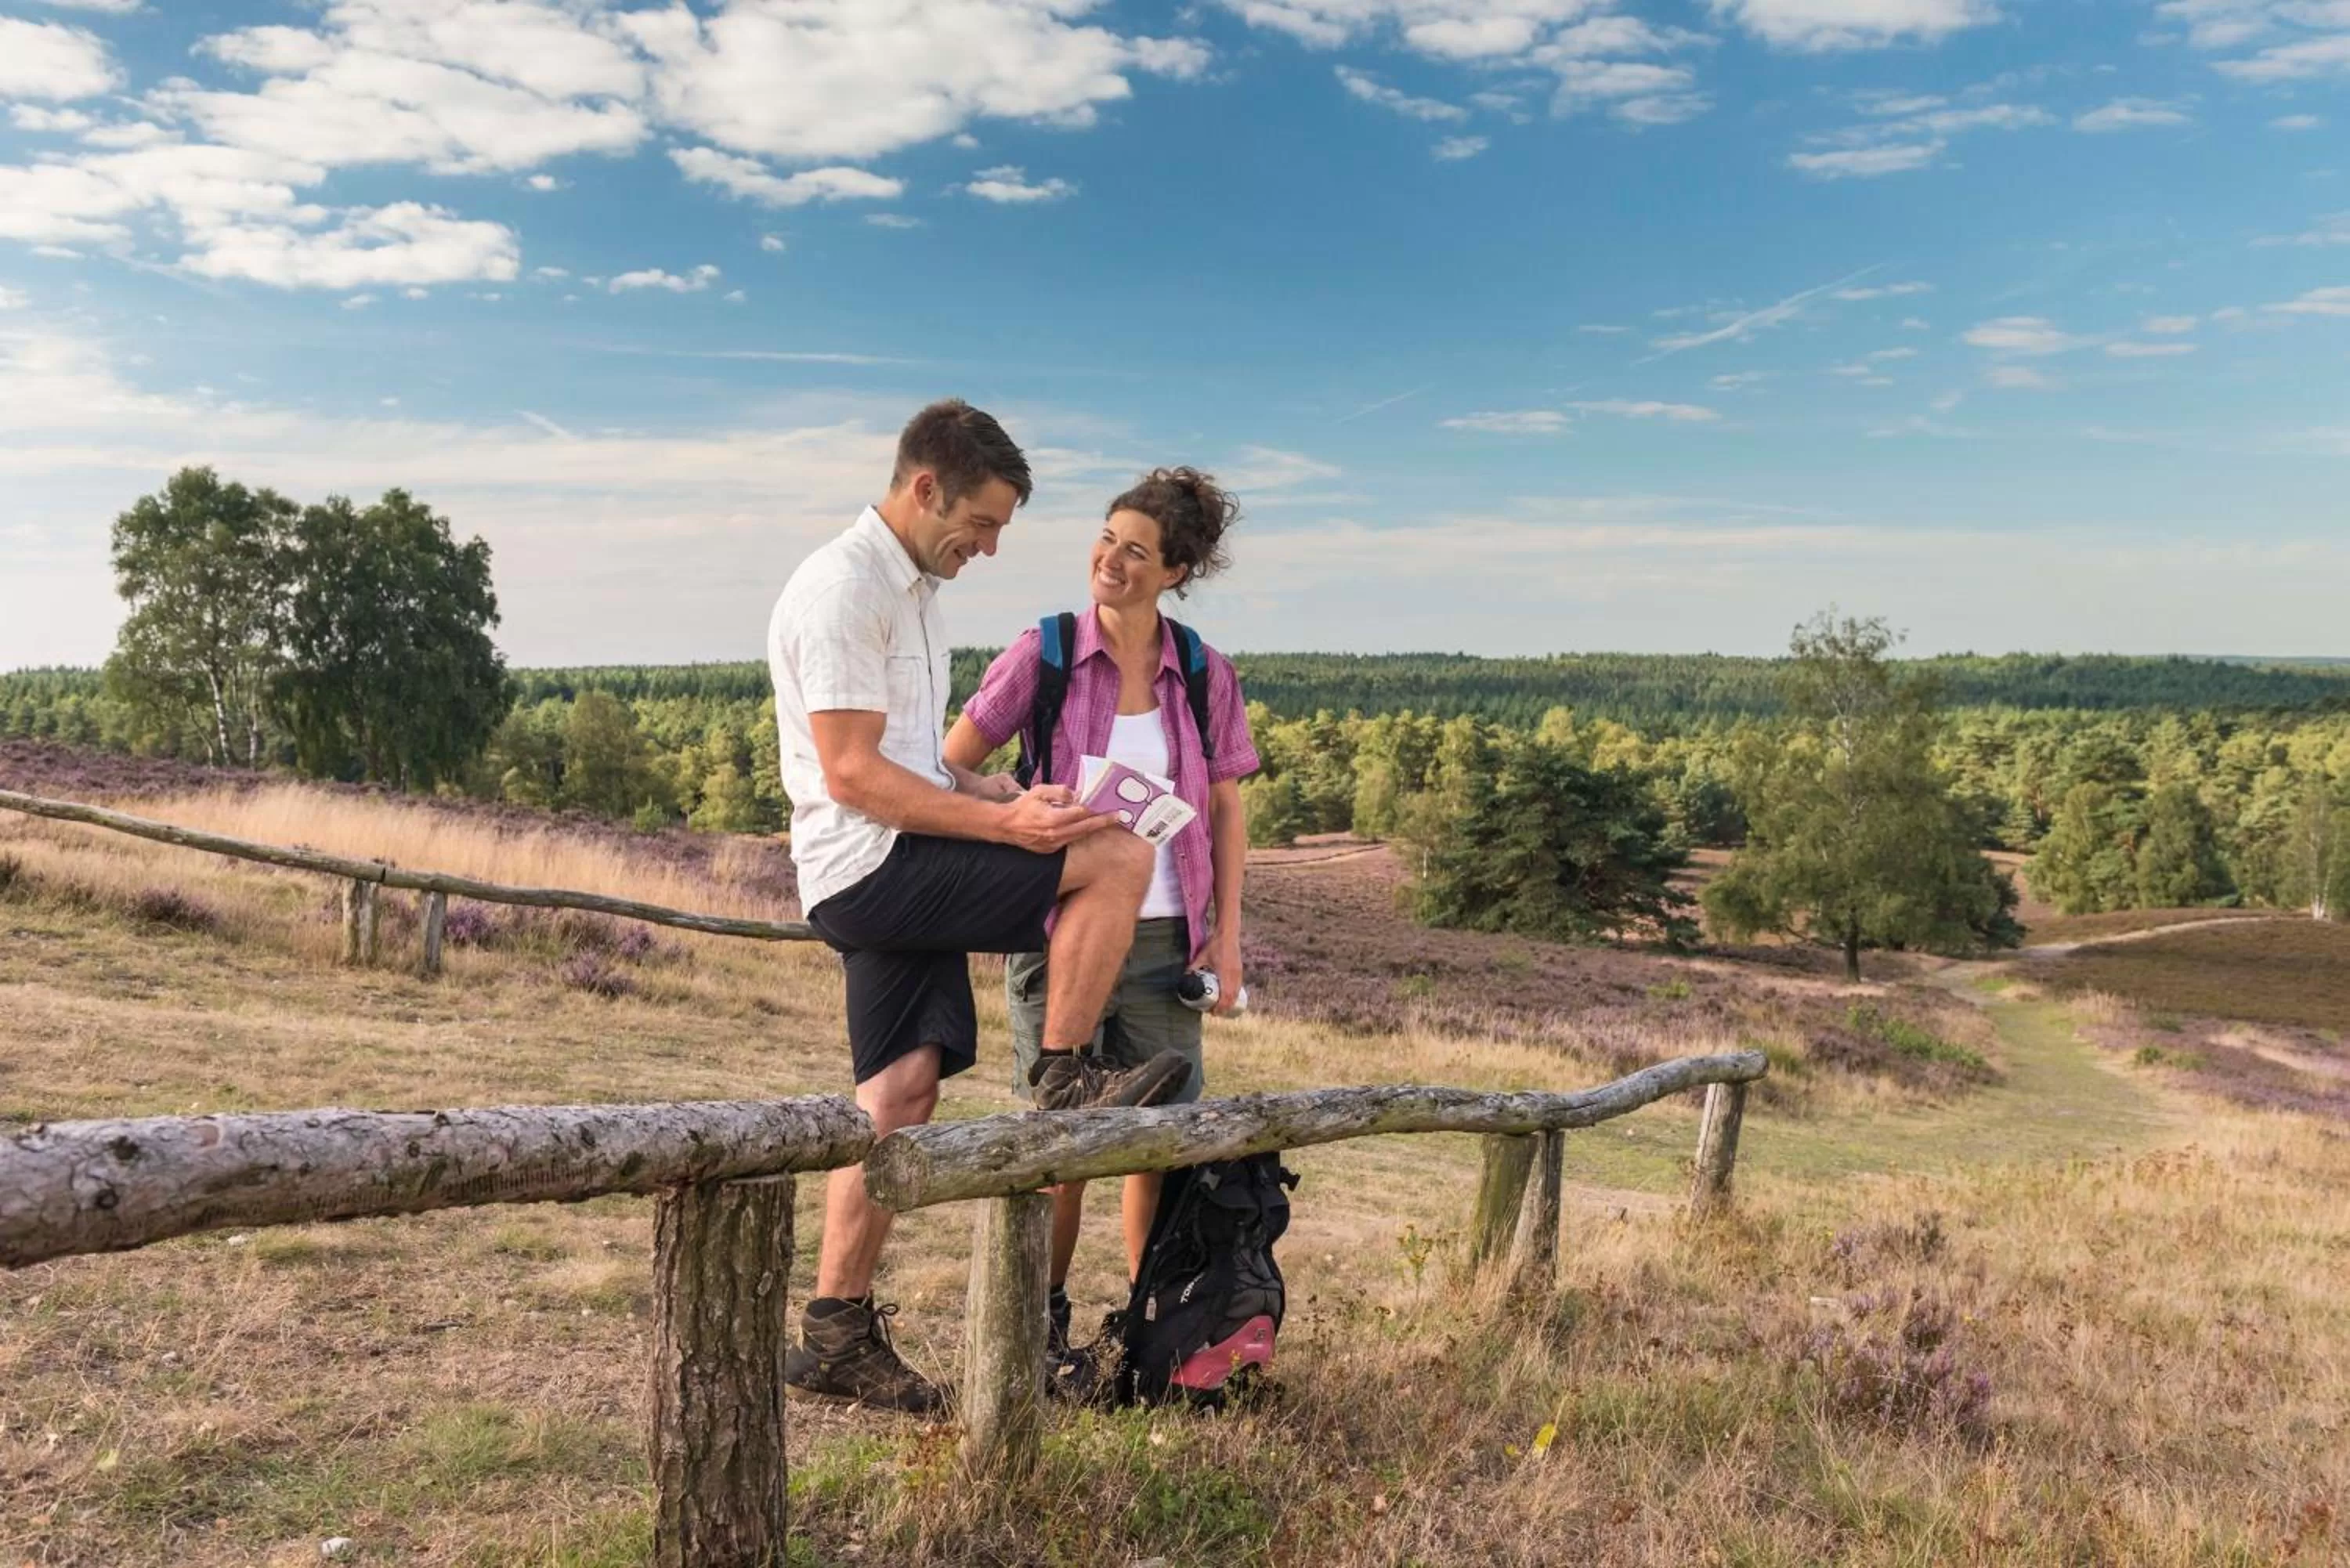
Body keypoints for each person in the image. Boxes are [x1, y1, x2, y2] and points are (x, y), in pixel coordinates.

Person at [768, 400, 1195, 1414]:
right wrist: (1008, 834)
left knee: (899, 1090)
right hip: (872, 865)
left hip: (889, 856)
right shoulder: (844, 589)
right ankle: (1064, 1074)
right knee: (1117, 854)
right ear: (926, 489)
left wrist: (1001, 796)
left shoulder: (911, 589)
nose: (992, 546)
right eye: (985, 521)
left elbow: (917, 765)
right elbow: (855, 774)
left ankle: (834, 1330)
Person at [945, 467, 1258, 1370]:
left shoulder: (1202, 671)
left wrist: (1227, 935)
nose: (1110, 561)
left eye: (1137, 551)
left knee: (1156, 1142)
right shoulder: (1041, 654)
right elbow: (953, 764)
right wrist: (1012, 798)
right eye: (1107, 538)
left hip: (1167, 943)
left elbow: (1228, 808)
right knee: (1056, 1140)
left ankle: (1151, 1324)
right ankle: (1037, 1328)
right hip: (1064, 935)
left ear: (1176, 572)